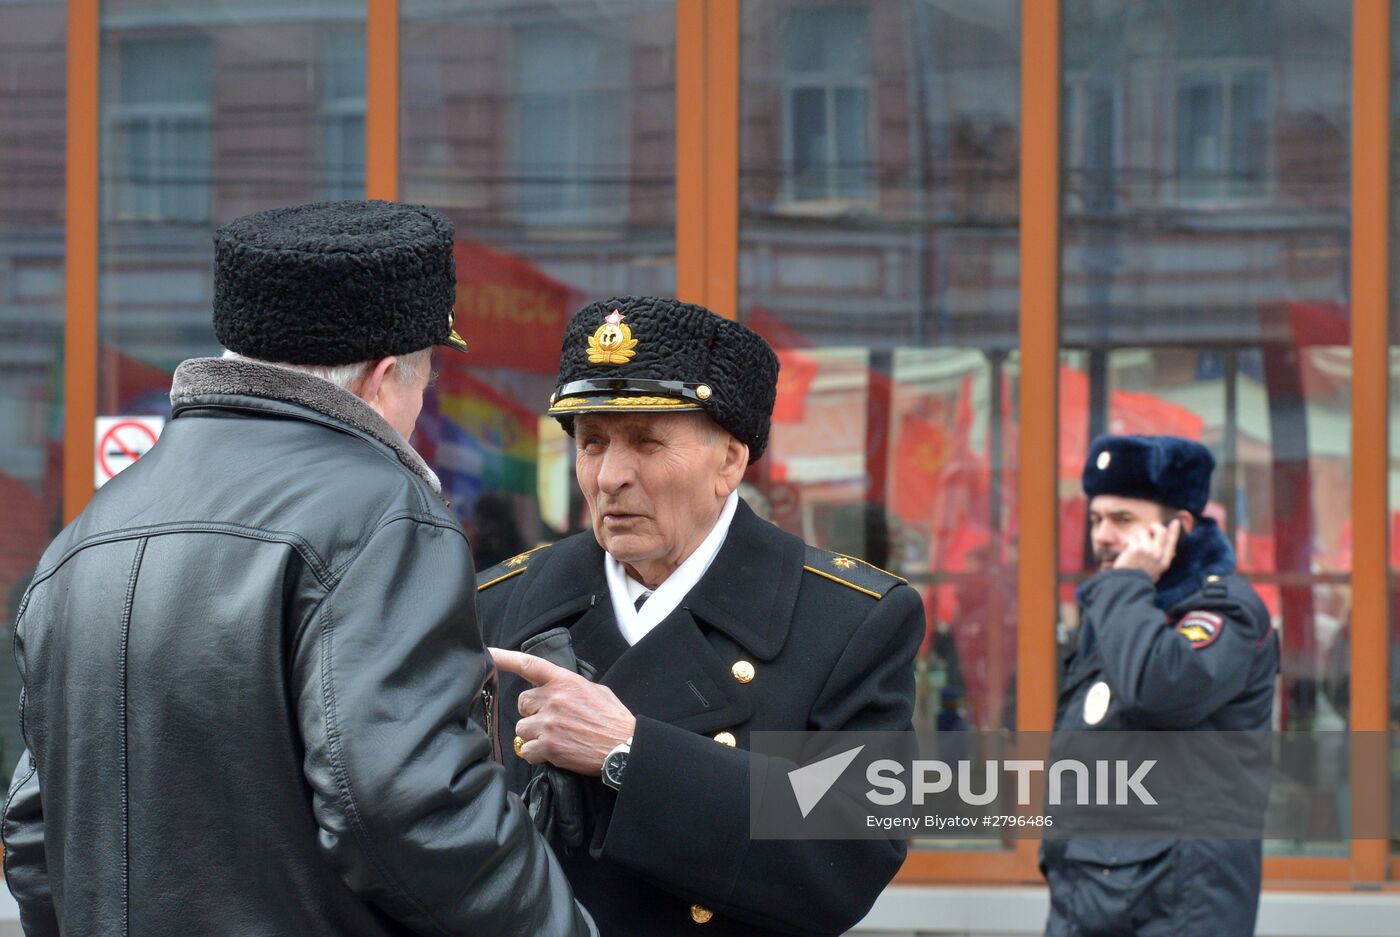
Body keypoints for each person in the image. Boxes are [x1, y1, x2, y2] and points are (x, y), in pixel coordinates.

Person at [2, 200, 593, 937]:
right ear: (383, 378)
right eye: (425, 382)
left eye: (642, 441)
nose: (609, 474)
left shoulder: (86, 534)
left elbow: (33, 835)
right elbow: (405, 808)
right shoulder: (394, 523)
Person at [475, 296, 925, 935]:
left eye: (647, 442)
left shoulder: (845, 620)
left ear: (731, 461)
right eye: (592, 442)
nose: (609, 477)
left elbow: (850, 853)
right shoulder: (499, 603)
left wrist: (629, 753)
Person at [1041, 434, 1279, 937]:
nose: (1102, 536)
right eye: (1095, 519)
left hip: (1176, 904)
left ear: (1179, 527)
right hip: (1093, 893)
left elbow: (1162, 688)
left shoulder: (1222, 611)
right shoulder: (1125, 607)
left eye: (1123, 520)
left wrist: (1125, 586)